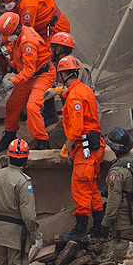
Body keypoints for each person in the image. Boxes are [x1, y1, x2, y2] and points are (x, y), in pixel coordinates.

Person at [54, 56, 106, 243]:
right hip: (94, 146)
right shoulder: (84, 90)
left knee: (80, 187)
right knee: (92, 188)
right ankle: (99, 227)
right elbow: (75, 97)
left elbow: (76, 128)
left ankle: (81, 230)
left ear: (64, 74)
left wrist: (65, 148)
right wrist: (59, 92)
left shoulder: (75, 96)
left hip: (84, 148)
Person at [0, 12, 56, 152]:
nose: (7, 38)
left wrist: (12, 81)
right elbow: (17, 53)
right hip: (29, 76)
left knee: (33, 106)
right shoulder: (20, 34)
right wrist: (11, 64)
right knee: (12, 105)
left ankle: (41, 141)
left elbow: (29, 70)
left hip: (42, 75)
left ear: (16, 29)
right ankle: (10, 134)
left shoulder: (28, 43)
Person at [103, 127, 133, 262]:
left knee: (122, 260)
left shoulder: (117, 172)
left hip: (124, 223)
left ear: (114, 149)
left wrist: (105, 223)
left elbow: (113, 203)